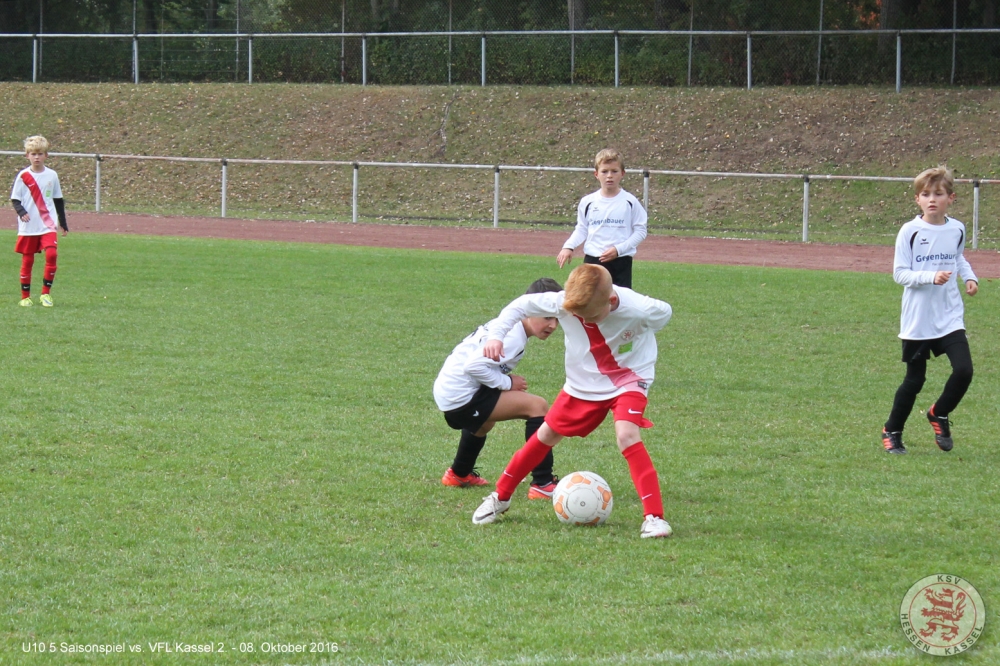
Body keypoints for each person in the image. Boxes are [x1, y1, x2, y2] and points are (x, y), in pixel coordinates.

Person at [472, 263, 673, 538]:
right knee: (546, 434)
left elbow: (664, 313)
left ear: (611, 299)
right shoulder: (563, 301)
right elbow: (518, 306)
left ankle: (654, 518)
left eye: (591, 316)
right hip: (582, 384)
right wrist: (496, 337)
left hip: (629, 378)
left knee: (626, 434)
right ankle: (501, 497)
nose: (583, 320)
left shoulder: (640, 308)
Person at [433, 278, 563, 499]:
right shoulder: (512, 336)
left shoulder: (510, 327)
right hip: (459, 395)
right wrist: (508, 383)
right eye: (547, 317)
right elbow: (473, 366)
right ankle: (542, 483)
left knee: (486, 421)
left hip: (451, 390)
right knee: (538, 406)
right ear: (528, 309)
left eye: (557, 318)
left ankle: (459, 474)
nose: (553, 325)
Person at [881, 166, 978, 454]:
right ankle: (892, 430)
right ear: (917, 199)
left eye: (938, 194)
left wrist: (969, 277)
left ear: (951, 198)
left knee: (964, 370)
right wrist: (930, 277)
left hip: (949, 315)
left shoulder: (957, 228)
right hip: (919, 318)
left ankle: (939, 413)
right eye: (925, 194)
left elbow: (957, 258)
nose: (932, 199)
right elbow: (900, 274)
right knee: (915, 380)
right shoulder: (910, 231)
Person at [556, 148, 647, 289]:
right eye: (604, 171)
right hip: (593, 260)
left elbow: (640, 231)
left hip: (620, 261)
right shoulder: (588, 202)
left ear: (622, 173)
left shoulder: (630, 202)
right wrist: (568, 247)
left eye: (614, 171)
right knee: (589, 299)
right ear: (596, 174)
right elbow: (582, 229)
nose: (609, 176)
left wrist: (619, 249)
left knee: (618, 301)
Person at [10, 135, 68, 307]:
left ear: (46, 155)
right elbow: (15, 199)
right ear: (27, 155)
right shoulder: (23, 176)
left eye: (40, 154)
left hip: (48, 223)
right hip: (29, 225)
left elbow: (58, 200)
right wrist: (21, 212)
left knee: (52, 254)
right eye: (33, 154)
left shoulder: (52, 175)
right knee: (28, 260)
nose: (36, 157)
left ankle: (45, 294)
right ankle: (25, 297)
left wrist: (63, 222)